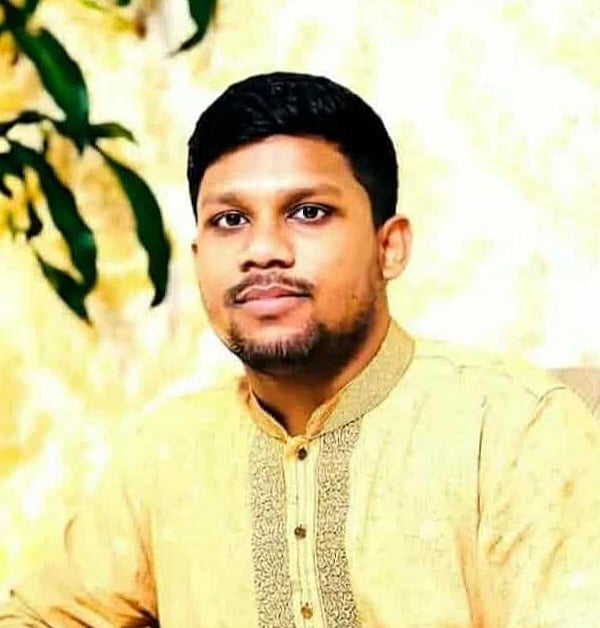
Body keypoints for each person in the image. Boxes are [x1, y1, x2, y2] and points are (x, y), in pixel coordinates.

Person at [1, 71, 600, 627]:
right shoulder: (165, 453)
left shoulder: (511, 430)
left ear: (389, 247)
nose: (262, 250)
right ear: (199, 258)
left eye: (308, 212)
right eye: (230, 220)